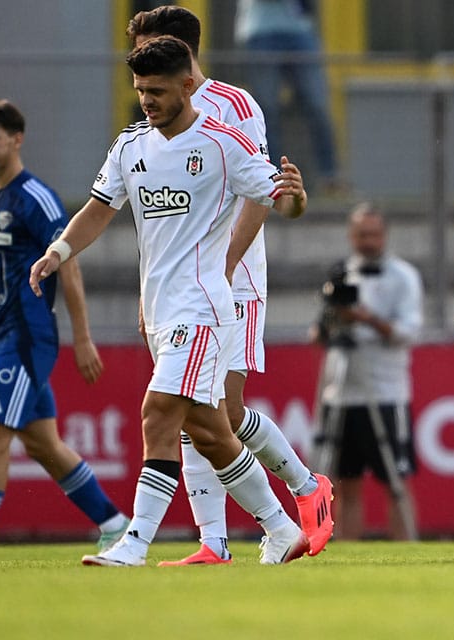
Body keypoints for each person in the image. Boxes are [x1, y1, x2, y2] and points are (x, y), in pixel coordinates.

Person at [30, 36, 311, 566]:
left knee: (157, 412)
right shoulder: (131, 146)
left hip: (203, 306)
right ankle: (281, 529)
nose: (147, 101)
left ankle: (135, 541)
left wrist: (295, 195)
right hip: (159, 309)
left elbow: (280, 200)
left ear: (188, 85)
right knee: (207, 430)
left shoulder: (223, 144)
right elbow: (97, 208)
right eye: (140, 91)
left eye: (157, 91)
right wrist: (59, 250)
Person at [125, 4, 333, 568]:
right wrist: (154, 290)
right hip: (178, 290)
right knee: (197, 413)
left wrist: (222, 264)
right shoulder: (147, 122)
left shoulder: (234, 105)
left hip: (232, 280)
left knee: (221, 410)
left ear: (186, 50)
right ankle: (214, 542)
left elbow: (259, 191)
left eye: (158, 46)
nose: (149, 62)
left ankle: (305, 485)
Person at [0, 100, 130, 562]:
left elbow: (67, 266)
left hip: (27, 336)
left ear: (17, 139)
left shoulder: (36, 198)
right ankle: (115, 524)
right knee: (43, 444)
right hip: (0, 336)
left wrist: (83, 337)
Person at [311, 204, 423, 541]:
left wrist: (366, 320)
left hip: (386, 390)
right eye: (361, 234)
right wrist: (330, 324)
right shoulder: (341, 275)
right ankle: (348, 550)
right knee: (344, 484)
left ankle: (408, 550)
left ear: (384, 235)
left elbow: (409, 331)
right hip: (342, 390)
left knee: (396, 479)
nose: (368, 241)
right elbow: (320, 334)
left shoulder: (403, 276)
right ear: (351, 236)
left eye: (373, 234)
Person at [235, 0, 339, 191]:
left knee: (318, 106)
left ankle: (330, 178)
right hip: (260, 32)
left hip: (300, 30)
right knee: (266, 111)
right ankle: (271, 179)